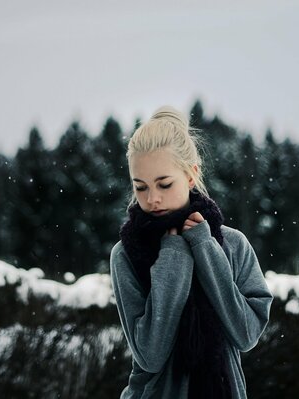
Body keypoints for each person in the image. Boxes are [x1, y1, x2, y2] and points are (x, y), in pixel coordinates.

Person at [110, 106, 273, 398]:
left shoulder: (232, 244)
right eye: (141, 187)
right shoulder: (126, 254)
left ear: (190, 175)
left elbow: (246, 334)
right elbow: (151, 354)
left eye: (164, 184)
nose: (153, 198)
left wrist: (204, 248)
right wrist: (173, 258)